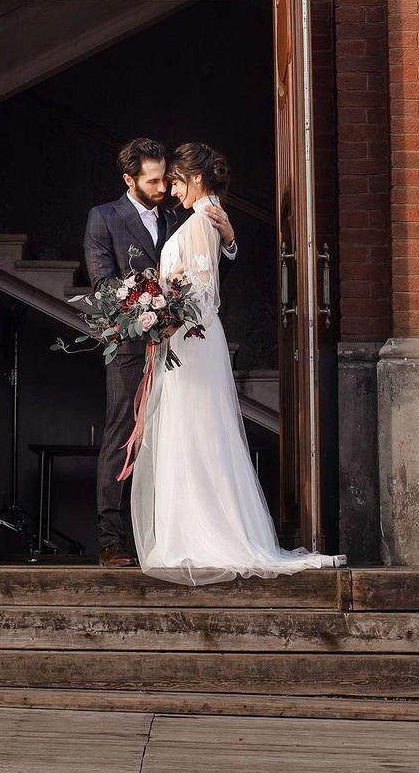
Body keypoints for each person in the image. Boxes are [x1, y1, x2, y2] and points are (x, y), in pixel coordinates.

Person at [129, 142, 345, 584]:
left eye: (175, 182)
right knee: (190, 432)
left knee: (195, 432)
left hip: (191, 339)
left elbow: (204, 298)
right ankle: (190, 530)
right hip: (187, 342)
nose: (170, 191)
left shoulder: (204, 221)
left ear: (195, 179)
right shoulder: (204, 219)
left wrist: (164, 315)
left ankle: (199, 535)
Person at [82, 138, 236, 568]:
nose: (163, 188)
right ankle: (112, 540)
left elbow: (207, 275)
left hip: (178, 347)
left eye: (166, 177)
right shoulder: (104, 218)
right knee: (123, 436)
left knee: (172, 439)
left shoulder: (181, 213)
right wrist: (145, 309)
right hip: (133, 346)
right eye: (153, 181)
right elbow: (103, 285)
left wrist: (229, 240)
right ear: (129, 179)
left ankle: (166, 533)